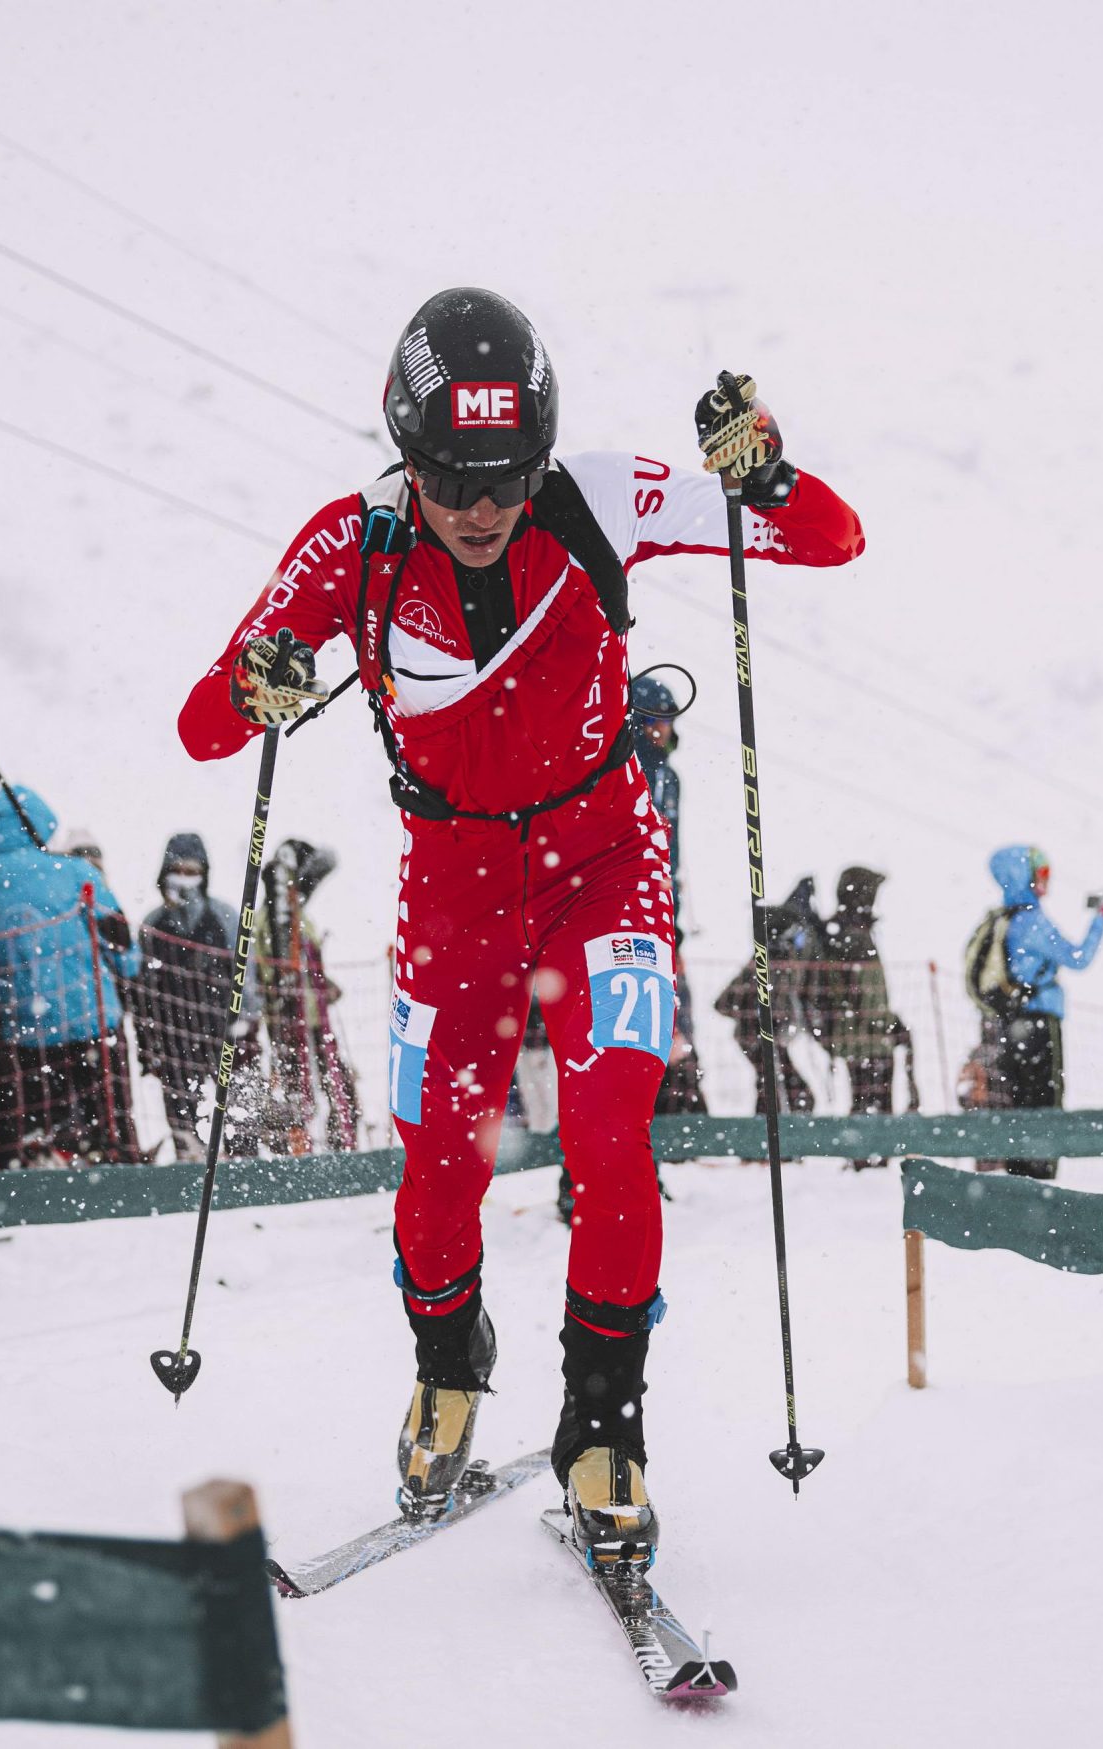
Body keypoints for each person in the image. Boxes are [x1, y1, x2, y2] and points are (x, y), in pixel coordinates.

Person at [176, 288, 863, 1565]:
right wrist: (254, 683)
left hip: (606, 864)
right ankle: (450, 1361)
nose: (480, 507)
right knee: (440, 1159)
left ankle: (604, 1428)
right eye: (448, 478)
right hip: (453, 892)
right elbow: (206, 727)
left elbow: (830, 539)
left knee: (611, 1135)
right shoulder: (354, 545)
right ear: (403, 453)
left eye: (505, 477)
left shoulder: (597, 500)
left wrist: (762, 472)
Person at [0, 783, 143, 1165]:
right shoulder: (76, 873)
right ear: (40, 822)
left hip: (24, 1033)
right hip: (92, 1021)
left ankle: (46, 1165)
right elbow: (121, 947)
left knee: (41, 1129)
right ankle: (115, 1161)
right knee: (109, 1123)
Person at [979, 844, 1103, 1180]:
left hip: (1010, 1024)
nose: (1046, 882)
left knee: (1017, 1100)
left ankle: (1017, 1174)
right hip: (1039, 1022)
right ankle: (1040, 1178)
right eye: (1041, 874)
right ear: (1025, 877)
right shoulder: (1033, 922)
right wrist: (1102, 918)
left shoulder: (1004, 921)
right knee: (1045, 1100)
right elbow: (1079, 958)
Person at [132, 832, 262, 1161]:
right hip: (175, 1038)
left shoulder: (225, 917)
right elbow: (143, 988)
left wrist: (247, 1021)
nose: (185, 879)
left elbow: (245, 971)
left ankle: (243, 1168)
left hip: (224, 1032)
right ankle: (188, 1165)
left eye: (193, 871)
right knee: (183, 1121)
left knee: (239, 1117)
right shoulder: (153, 924)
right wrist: (148, 1042)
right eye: (178, 870)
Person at [630, 675, 709, 1117]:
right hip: (635, 911)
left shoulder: (669, 776)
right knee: (654, 1018)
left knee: (672, 1016)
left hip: (662, 909)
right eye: (659, 721)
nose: (665, 729)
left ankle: (678, 1116)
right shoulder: (629, 767)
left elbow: (669, 853)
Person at [810, 866, 916, 1169]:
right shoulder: (854, 935)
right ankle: (870, 1161)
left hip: (855, 1034)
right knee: (874, 1101)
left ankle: (863, 1159)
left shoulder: (841, 932)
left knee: (863, 1099)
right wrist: (887, 1023)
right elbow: (865, 994)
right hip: (867, 1036)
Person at [260, 838, 358, 1153]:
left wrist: (323, 985)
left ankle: (341, 1145)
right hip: (286, 1023)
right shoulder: (267, 922)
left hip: (315, 1019)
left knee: (339, 1087)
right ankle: (293, 1153)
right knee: (295, 1091)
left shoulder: (303, 918)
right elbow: (267, 971)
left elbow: (306, 965)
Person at [715, 878, 827, 1116]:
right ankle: (769, 1147)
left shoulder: (781, 965)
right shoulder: (762, 966)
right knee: (782, 1094)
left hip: (770, 1040)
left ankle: (768, 1147)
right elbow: (723, 1003)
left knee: (779, 1094)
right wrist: (757, 1018)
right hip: (758, 1040)